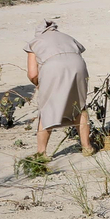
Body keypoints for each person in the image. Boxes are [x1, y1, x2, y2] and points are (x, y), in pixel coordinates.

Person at [25, 20, 94, 156]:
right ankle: (87, 148)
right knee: (79, 106)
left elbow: (32, 73)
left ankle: (41, 154)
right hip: (79, 67)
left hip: (53, 69)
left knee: (47, 110)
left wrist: (39, 84)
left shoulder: (35, 42)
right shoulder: (68, 37)